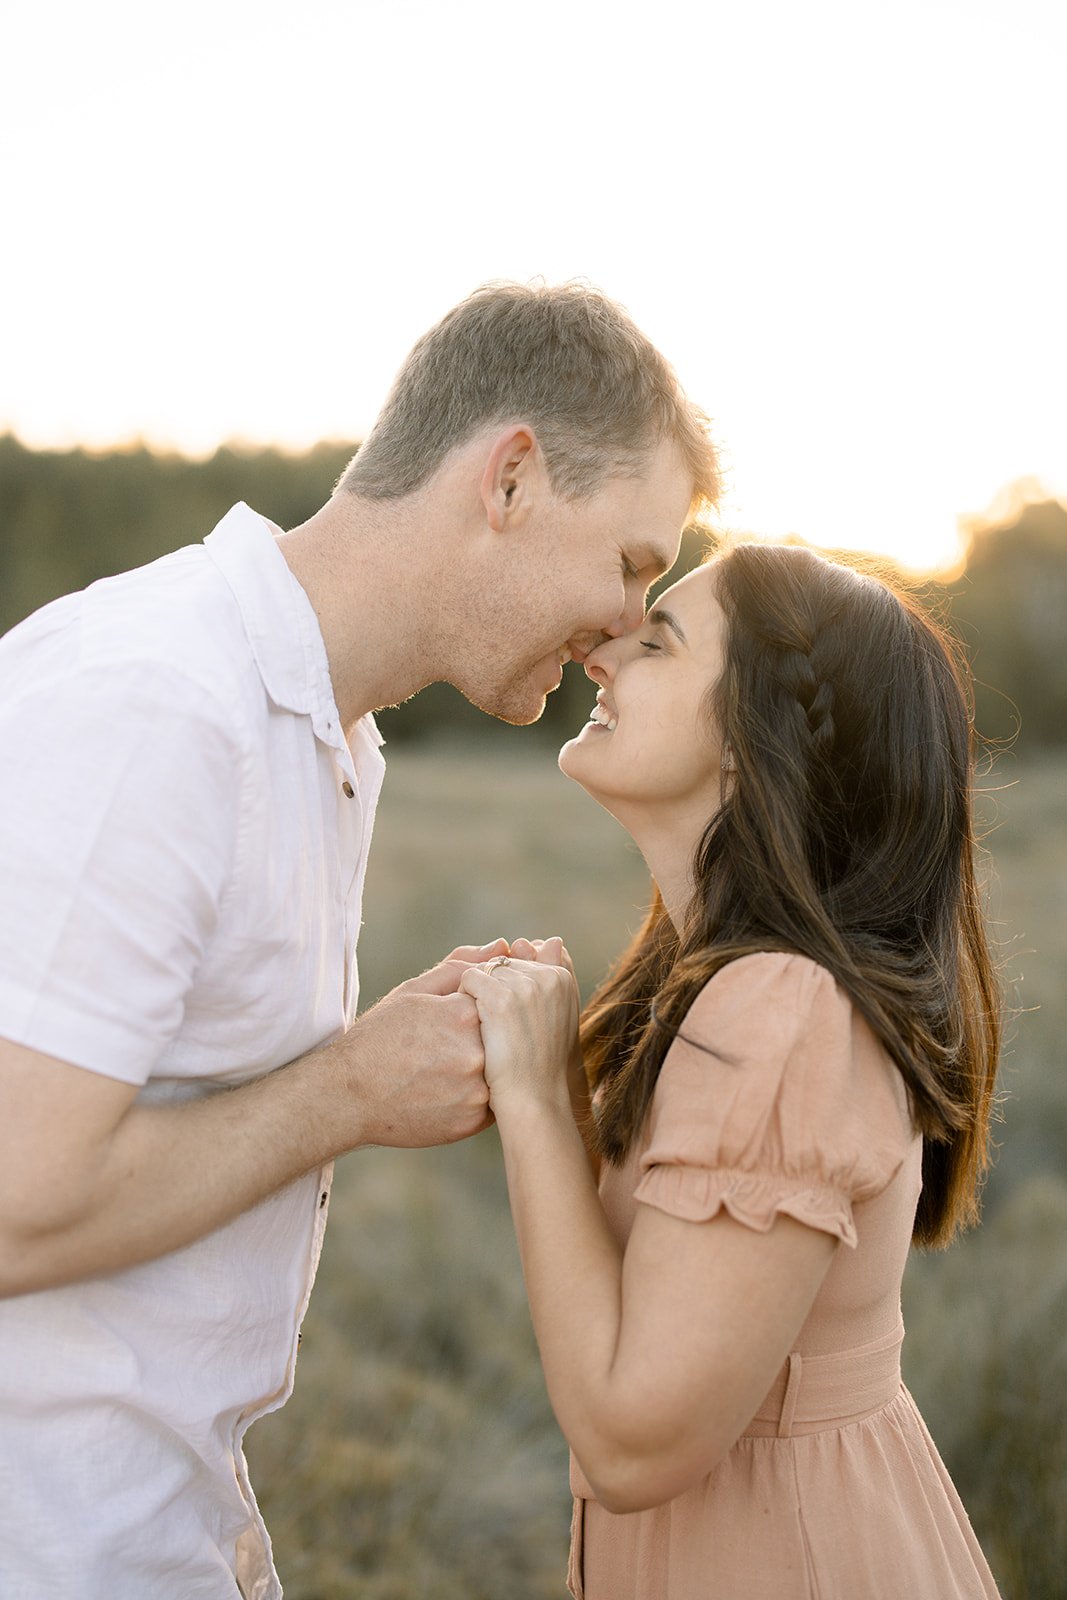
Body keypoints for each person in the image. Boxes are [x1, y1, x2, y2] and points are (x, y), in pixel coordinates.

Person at [0, 281, 719, 1599]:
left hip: (173, 1531)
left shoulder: (333, 735)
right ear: (508, 477)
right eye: (629, 564)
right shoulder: (157, 702)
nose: (626, 629)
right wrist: (349, 1091)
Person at [460, 541, 1003, 1598]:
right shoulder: (734, 986)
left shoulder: (780, 1009)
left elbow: (629, 1445)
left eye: (656, 640)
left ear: (754, 746)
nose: (602, 654)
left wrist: (533, 1098)